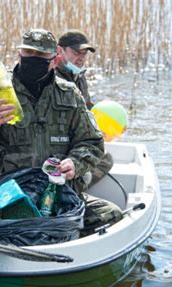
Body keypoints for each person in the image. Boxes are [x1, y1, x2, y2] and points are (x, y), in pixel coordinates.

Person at [0, 28, 122, 235]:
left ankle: (66, 245)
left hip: (55, 194)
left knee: (111, 215)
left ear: (54, 59)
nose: (34, 59)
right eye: (29, 53)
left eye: (41, 55)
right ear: (20, 55)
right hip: (5, 195)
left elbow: (92, 142)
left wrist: (75, 163)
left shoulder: (69, 94)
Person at [57, 30, 114, 190]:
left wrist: (97, 130)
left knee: (104, 157)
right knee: (103, 160)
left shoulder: (79, 76)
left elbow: (88, 109)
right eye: (76, 52)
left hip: (76, 137)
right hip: (59, 140)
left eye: (85, 53)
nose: (81, 57)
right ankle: (75, 185)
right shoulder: (52, 76)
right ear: (59, 50)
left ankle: (79, 181)